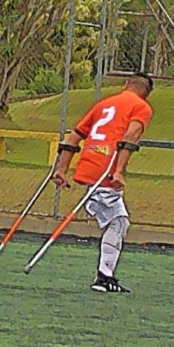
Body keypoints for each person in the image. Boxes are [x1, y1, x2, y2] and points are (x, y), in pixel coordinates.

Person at [51, 73, 155, 293]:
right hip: (105, 170)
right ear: (146, 93)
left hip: (88, 165)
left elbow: (73, 137)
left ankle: (105, 275)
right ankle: (104, 277)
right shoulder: (141, 108)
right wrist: (118, 172)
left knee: (119, 221)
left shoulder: (104, 104)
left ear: (127, 84)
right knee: (118, 221)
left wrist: (61, 169)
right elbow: (130, 137)